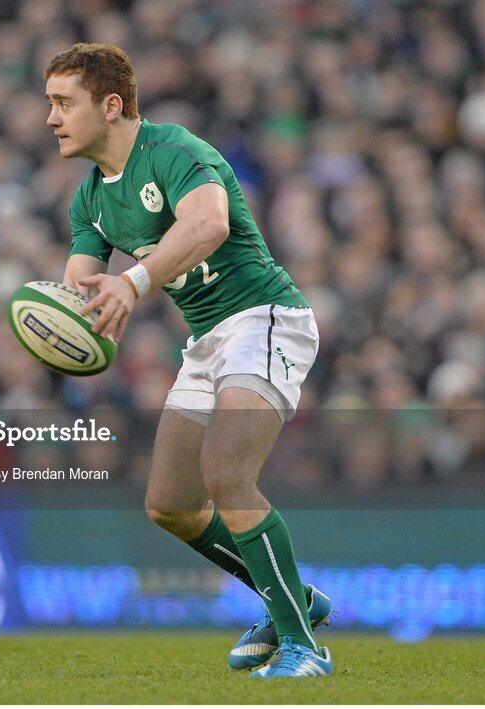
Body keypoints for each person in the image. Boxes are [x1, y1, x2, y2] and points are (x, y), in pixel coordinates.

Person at [45, 43, 332, 678]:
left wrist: (134, 283)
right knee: (171, 503)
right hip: (208, 339)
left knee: (228, 474)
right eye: (50, 104)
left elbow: (209, 226)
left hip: (266, 317)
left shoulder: (175, 151)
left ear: (112, 105)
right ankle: (294, 600)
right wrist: (61, 321)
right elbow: (81, 282)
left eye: (65, 103)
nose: (52, 118)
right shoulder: (90, 198)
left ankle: (302, 649)